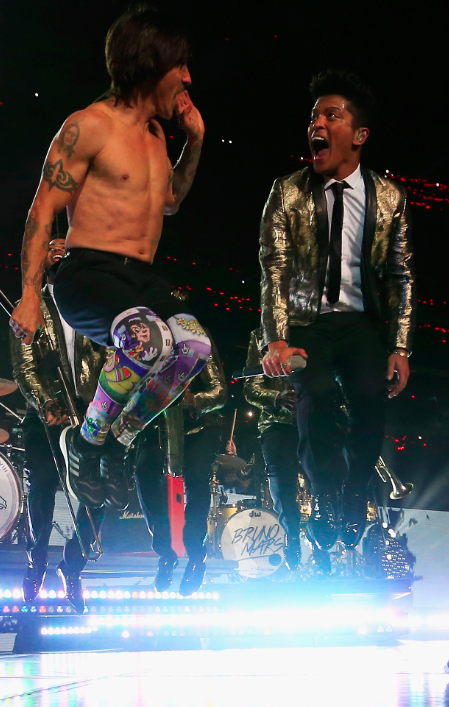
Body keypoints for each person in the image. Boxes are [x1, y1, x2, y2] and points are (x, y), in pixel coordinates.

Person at [8, 6, 211, 481]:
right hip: (88, 274)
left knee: (193, 346)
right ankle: (87, 439)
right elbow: (41, 212)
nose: (187, 78)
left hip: (140, 278)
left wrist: (195, 141)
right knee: (146, 340)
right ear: (151, 63)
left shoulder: (158, 135)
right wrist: (31, 297)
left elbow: (170, 201)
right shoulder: (89, 126)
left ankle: (116, 439)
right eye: (179, 66)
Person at [259, 70, 414, 548]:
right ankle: (325, 497)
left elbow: (400, 276)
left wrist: (400, 347)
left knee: (370, 396)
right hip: (308, 321)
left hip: (361, 322)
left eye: (331, 115)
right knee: (317, 395)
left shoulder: (389, 197)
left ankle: (353, 494)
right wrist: (277, 338)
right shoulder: (287, 192)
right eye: (314, 116)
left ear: (359, 135)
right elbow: (274, 270)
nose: (317, 124)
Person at [10, 238, 126, 612]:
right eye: (51, 246)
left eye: (67, 246)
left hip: (91, 415)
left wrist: (105, 406)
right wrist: (46, 402)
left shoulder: (94, 307)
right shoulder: (29, 307)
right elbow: (23, 367)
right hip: (44, 416)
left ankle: (72, 566)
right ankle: (36, 559)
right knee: (43, 485)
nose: (59, 250)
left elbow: (113, 358)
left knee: (100, 493)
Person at [132, 305, 227, 594]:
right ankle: (165, 552)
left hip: (198, 426)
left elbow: (220, 391)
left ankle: (196, 555)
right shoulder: (137, 338)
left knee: (197, 479)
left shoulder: (197, 338)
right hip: (155, 424)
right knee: (143, 475)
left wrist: (193, 400)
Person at [243, 328, 306, 571]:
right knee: (281, 482)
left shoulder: (319, 328)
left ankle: (321, 531)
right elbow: (250, 387)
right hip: (276, 423)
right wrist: (276, 398)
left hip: (315, 418)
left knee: (325, 477)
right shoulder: (261, 334)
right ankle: (292, 537)